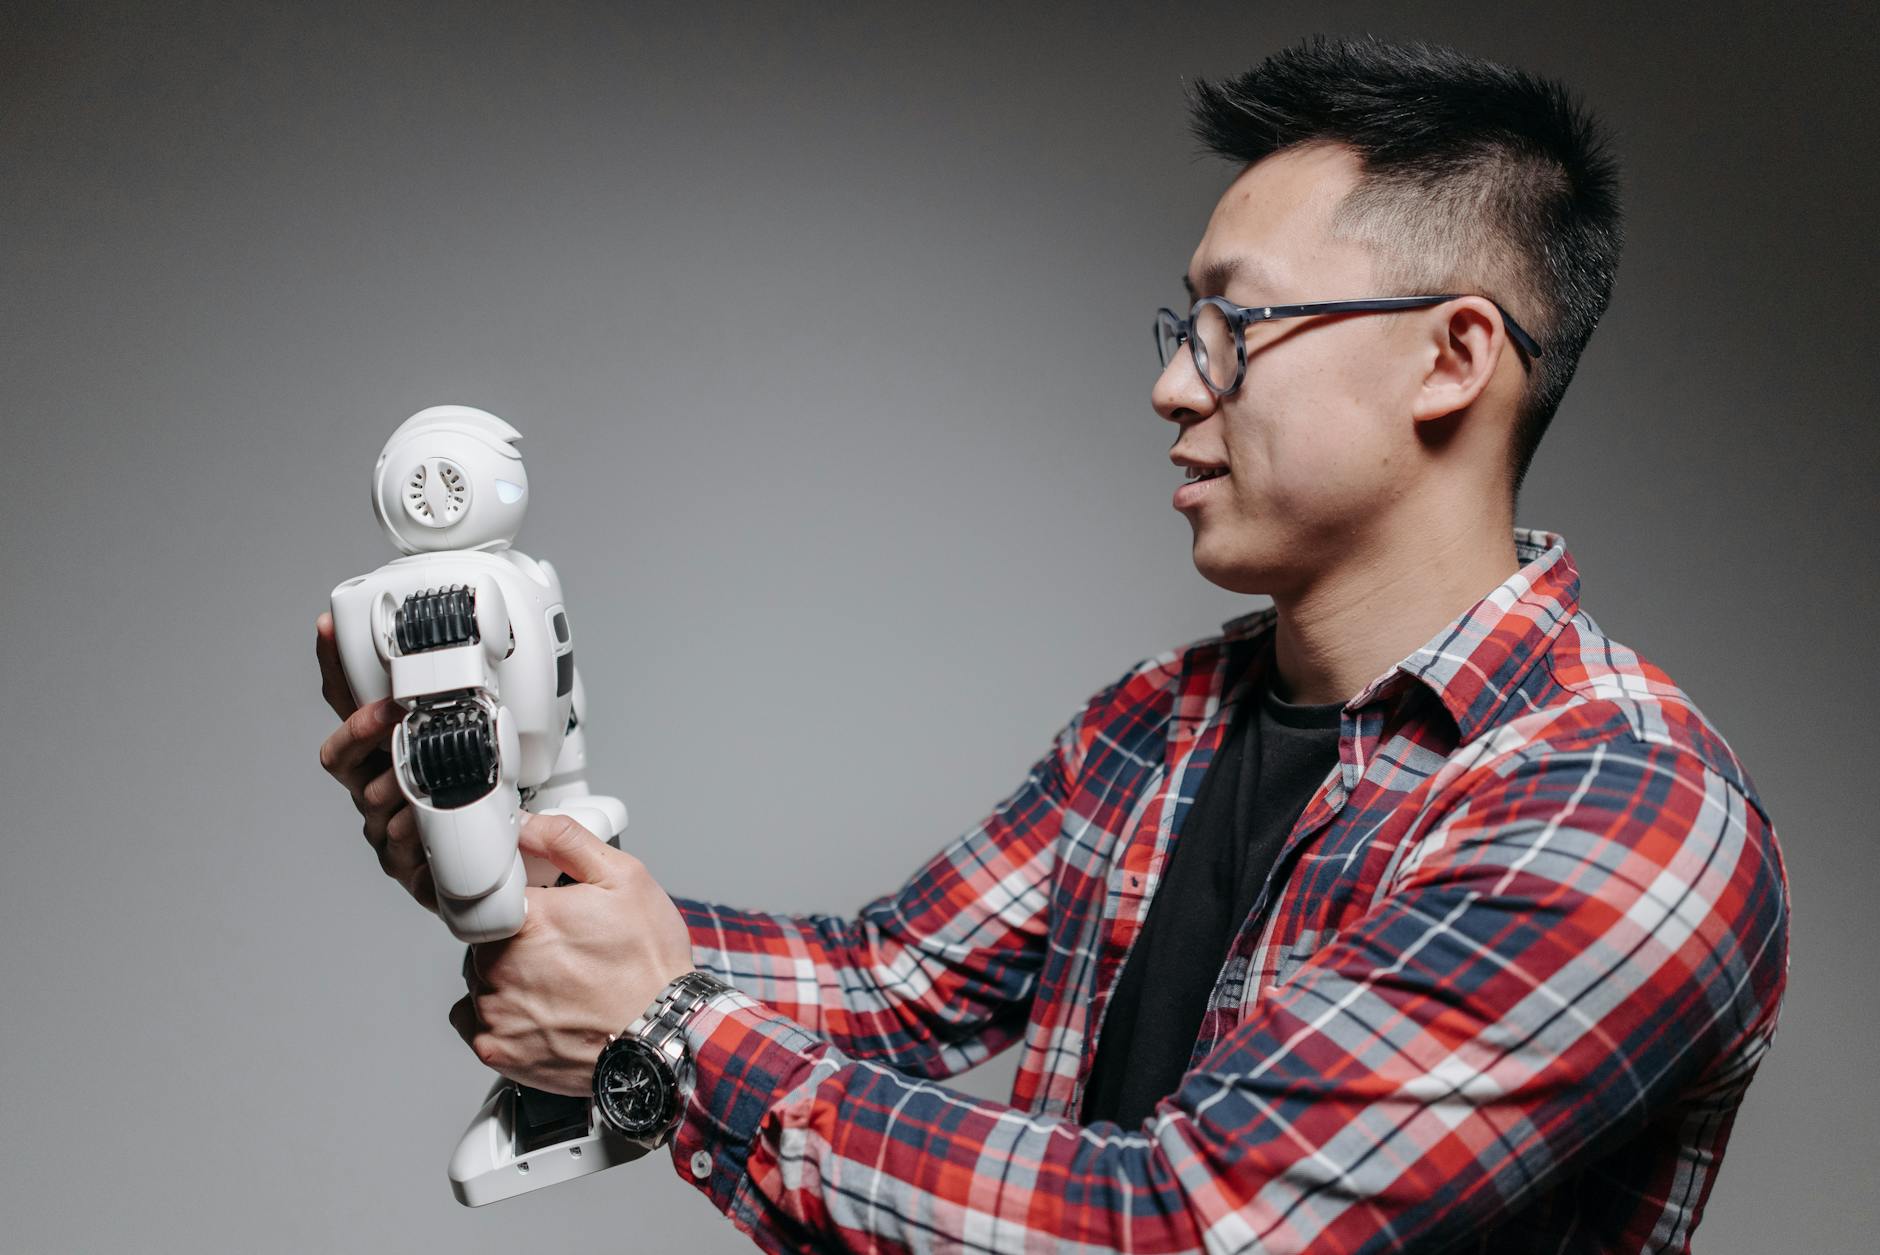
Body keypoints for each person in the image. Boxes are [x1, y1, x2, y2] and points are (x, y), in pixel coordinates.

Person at [316, 33, 1789, 1253]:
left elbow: (1182, 1228)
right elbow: (886, 985)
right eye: (1182, 325)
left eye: (1234, 326)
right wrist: (510, 860)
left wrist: (670, 1035)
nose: (1173, 384)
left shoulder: (1627, 815)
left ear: (1452, 357)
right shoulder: (1157, 720)